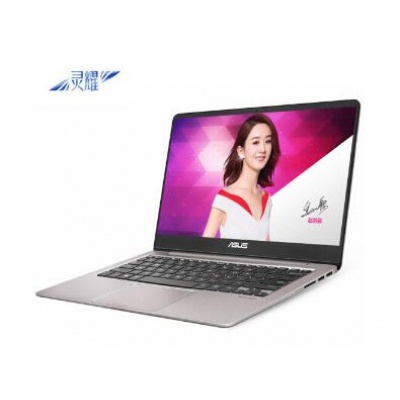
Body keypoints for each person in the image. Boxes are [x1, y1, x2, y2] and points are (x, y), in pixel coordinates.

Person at [203, 114, 280, 240]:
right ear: (241, 151)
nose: (263, 149)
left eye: (267, 141)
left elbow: (266, 245)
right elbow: (204, 246)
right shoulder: (224, 199)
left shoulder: (267, 199)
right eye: (255, 142)